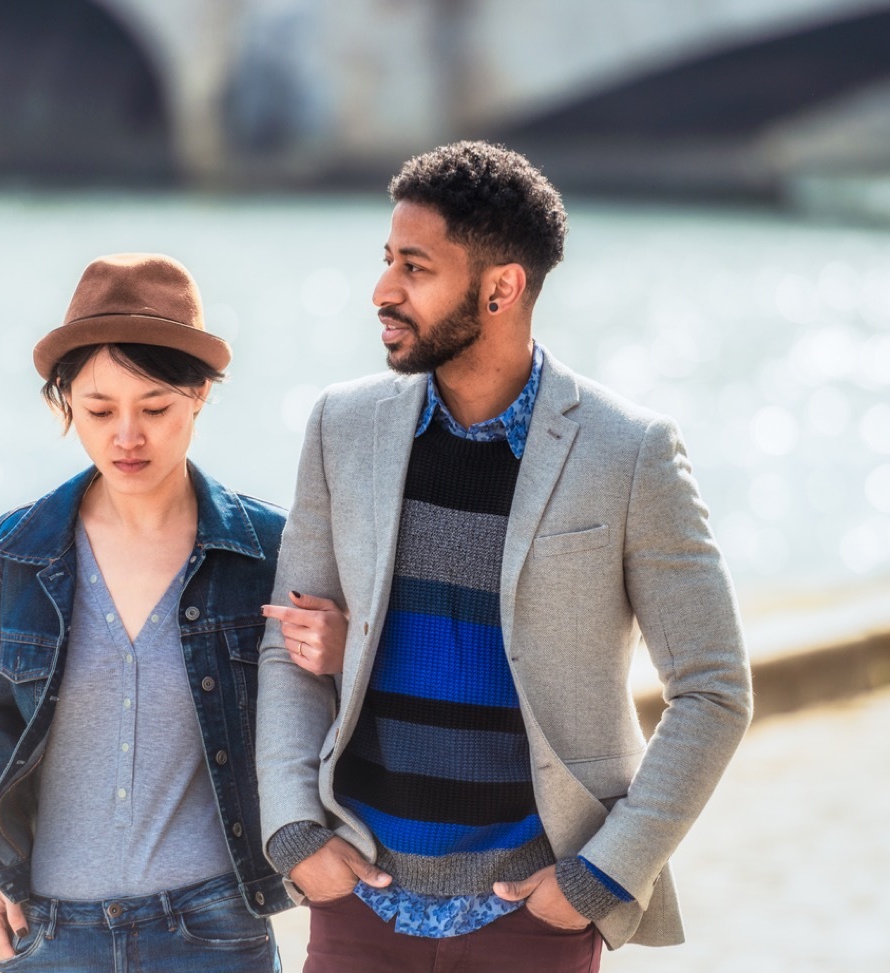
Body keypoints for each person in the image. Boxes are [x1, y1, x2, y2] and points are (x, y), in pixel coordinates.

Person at [255, 142, 753, 972]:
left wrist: (599, 876)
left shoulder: (628, 453)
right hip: (358, 901)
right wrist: (294, 832)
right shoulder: (342, 428)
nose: (384, 290)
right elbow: (287, 640)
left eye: (415, 267)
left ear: (501, 287)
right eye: (387, 261)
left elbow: (714, 689)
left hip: (533, 912)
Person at [0, 253, 346, 972]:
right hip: (51, 935)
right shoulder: (14, 553)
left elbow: (321, 720)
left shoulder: (270, 551)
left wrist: (345, 654)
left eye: (155, 408)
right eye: (98, 410)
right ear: (65, 400)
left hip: (215, 930)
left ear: (200, 396)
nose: (126, 435)